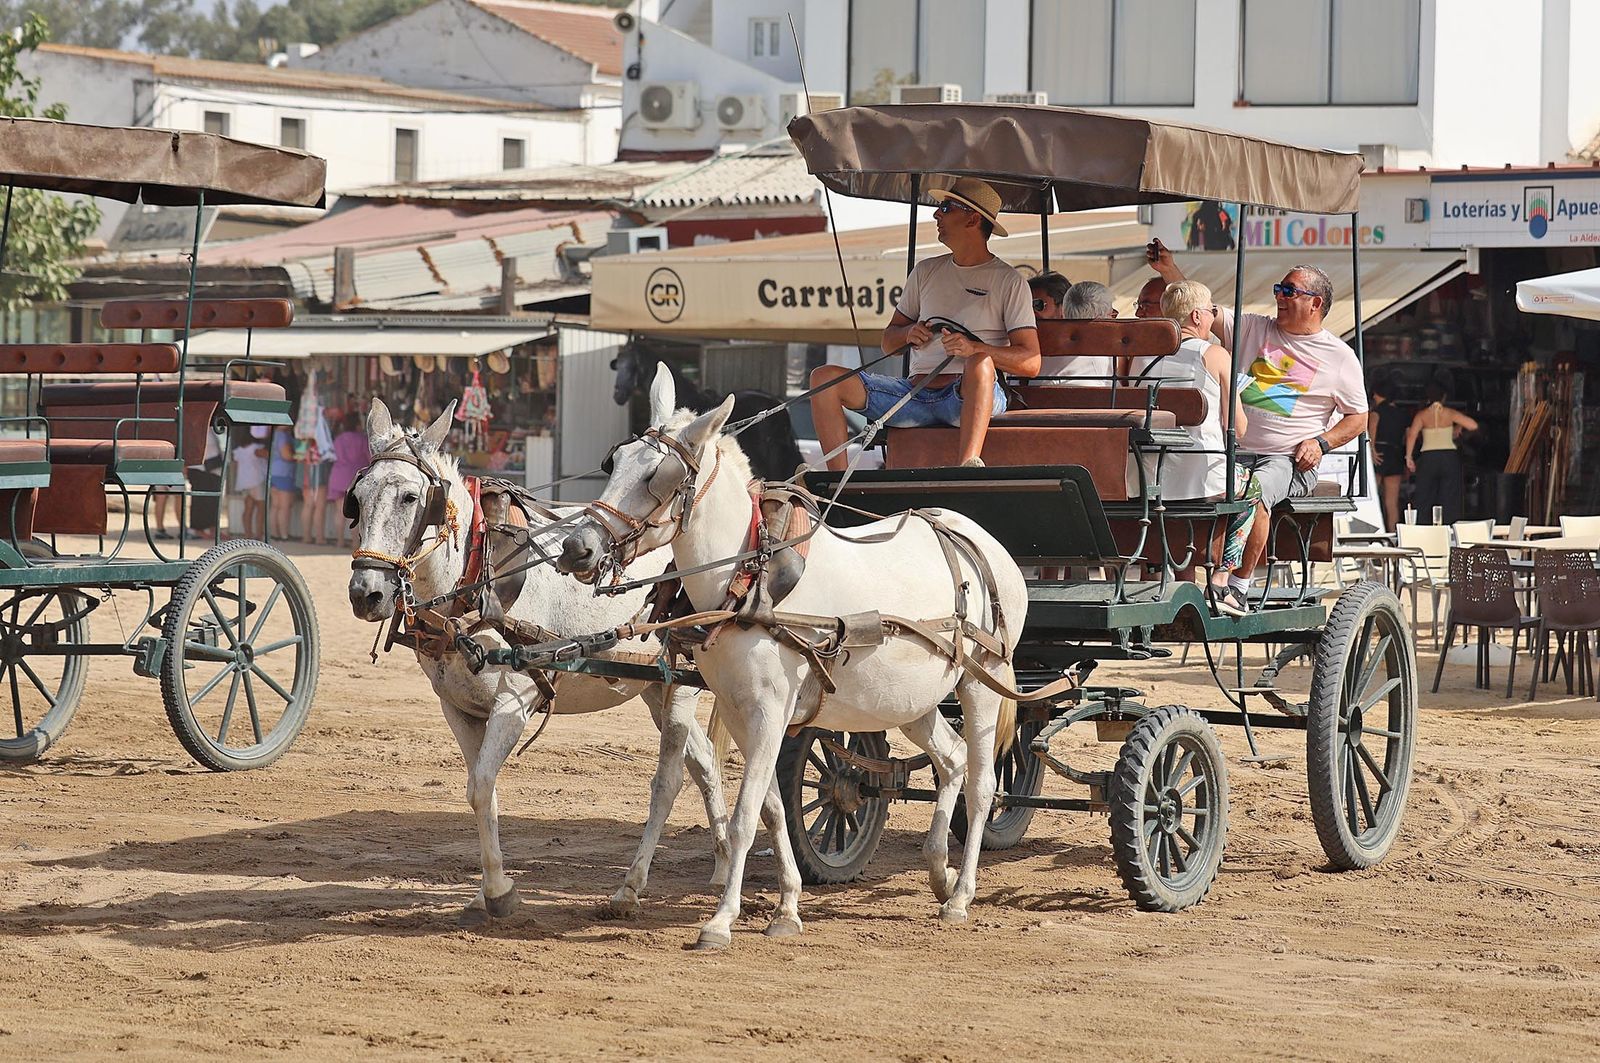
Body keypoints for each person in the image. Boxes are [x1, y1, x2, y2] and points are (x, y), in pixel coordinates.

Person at [1148, 239, 1368, 615]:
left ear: (1315, 303)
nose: (1280, 297)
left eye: (1289, 291)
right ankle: (1176, 578)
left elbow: (1358, 417)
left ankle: (1237, 586)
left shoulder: (1339, 356)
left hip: (1286, 459)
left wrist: (1321, 443)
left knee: (1258, 490)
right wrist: (1169, 270)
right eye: (1278, 290)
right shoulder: (1252, 327)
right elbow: (1198, 313)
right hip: (1231, 451)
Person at [809, 177, 1039, 470]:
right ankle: (838, 482)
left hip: (966, 396)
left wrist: (973, 348)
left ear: (972, 219)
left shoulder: (1009, 281)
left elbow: (1031, 362)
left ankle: (967, 467)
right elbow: (889, 343)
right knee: (823, 378)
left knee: (980, 362)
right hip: (915, 395)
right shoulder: (925, 271)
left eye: (945, 207)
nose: (936, 214)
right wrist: (908, 333)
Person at [1406, 375, 1477, 526]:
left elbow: (1412, 435)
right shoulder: (1450, 413)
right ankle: (1450, 527)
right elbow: (1473, 425)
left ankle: (1423, 526)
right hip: (1448, 457)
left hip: (1428, 457)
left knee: (1424, 495)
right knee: (1450, 495)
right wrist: (1457, 428)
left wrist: (1409, 457)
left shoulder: (1422, 415)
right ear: (1443, 397)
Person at [1034, 280, 1116, 384]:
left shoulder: (1039, 352)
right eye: (1112, 315)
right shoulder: (1109, 355)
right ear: (1101, 318)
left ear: (1064, 311)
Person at [1368, 376, 1407, 530]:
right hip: (1395, 454)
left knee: (1373, 497)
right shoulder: (1402, 414)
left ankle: (1374, 532)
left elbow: (1371, 434)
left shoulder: (1376, 412)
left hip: (1379, 453)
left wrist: (1372, 451)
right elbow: (1405, 437)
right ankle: (1393, 535)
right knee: (1392, 502)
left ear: (1378, 394)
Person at [328, 410, 371, 550]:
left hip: (338, 475)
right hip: (355, 476)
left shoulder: (338, 439)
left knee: (339, 512)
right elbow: (369, 458)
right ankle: (354, 543)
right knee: (356, 513)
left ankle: (339, 541)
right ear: (358, 424)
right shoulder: (362, 439)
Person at [232, 425, 270, 540]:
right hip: (257, 480)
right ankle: (259, 535)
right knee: (261, 509)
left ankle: (247, 534)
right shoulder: (257, 448)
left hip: (244, 482)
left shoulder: (238, 451)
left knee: (248, 509)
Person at [269, 424, 300, 542]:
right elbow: (286, 455)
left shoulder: (274, 434)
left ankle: (274, 534)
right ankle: (284, 535)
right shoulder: (283, 435)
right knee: (284, 507)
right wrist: (299, 456)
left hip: (274, 471)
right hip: (285, 473)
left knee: (276, 506)